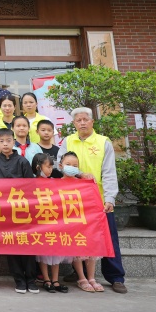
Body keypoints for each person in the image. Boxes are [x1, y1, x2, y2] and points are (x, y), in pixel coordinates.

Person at [58, 107, 127, 294]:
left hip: (98, 201)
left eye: (85, 119)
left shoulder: (103, 142)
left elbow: (109, 172)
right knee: (78, 238)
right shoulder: (68, 141)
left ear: (92, 121)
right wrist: (80, 173)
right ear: (74, 123)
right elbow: (61, 165)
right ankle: (79, 273)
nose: (82, 123)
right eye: (78, 120)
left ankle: (115, 277)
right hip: (74, 201)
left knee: (108, 238)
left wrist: (110, 198)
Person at [0, 128, 37, 294]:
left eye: (8, 141)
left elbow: (30, 186)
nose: (5, 144)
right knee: (11, 244)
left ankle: (31, 279)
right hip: (3, 210)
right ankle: (19, 280)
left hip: (21, 209)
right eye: (1, 141)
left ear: (14, 141)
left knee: (27, 243)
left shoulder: (22, 161)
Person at [31, 153, 70, 293]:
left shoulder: (54, 181)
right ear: (38, 167)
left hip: (55, 221)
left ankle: (55, 279)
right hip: (41, 222)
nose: (50, 169)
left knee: (56, 250)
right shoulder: (32, 183)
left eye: (52, 167)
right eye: (48, 166)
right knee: (44, 252)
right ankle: (46, 279)